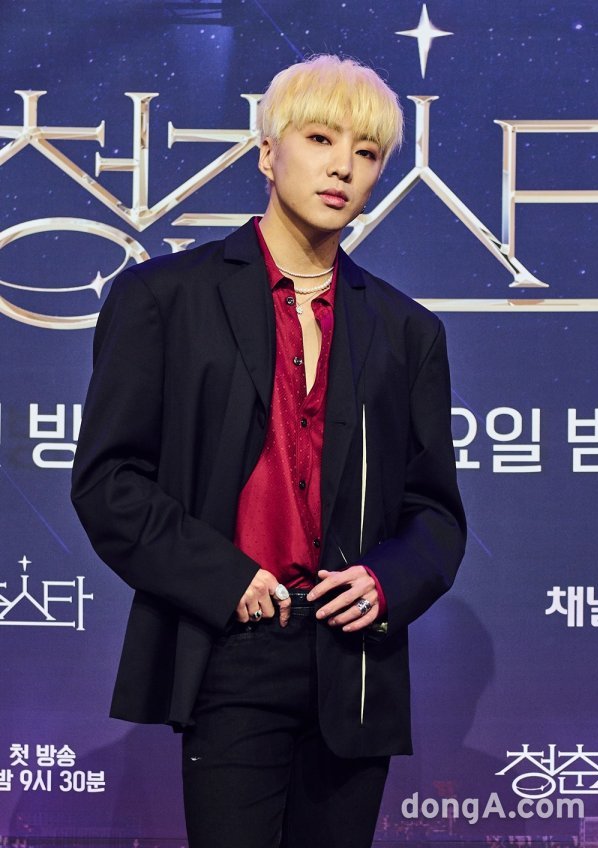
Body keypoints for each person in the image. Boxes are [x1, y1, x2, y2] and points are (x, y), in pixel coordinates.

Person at [71, 54, 466, 848]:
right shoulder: (164, 298)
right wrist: (225, 578)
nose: (342, 167)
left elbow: (435, 513)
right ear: (266, 152)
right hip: (231, 646)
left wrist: (384, 582)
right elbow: (109, 481)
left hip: (353, 665)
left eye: (366, 152)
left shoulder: (406, 330)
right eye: (320, 139)